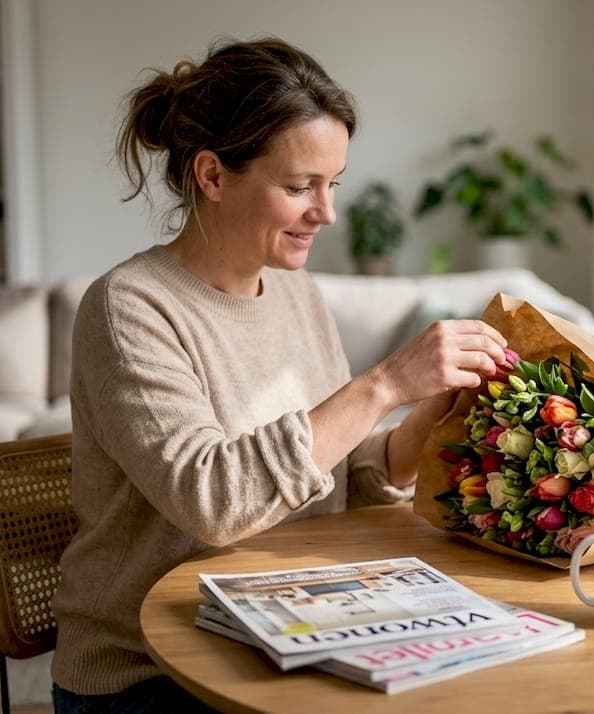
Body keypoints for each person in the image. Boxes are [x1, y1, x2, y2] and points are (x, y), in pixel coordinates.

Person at [51, 37, 509, 712]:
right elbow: (212, 503)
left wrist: (423, 420)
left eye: (333, 185)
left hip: (297, 633)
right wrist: (381, 384)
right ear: (212, 176)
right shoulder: (129, 308)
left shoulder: (298, 295)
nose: (325, 213)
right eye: (300, 187)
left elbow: (337, 478)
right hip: (152, 670)